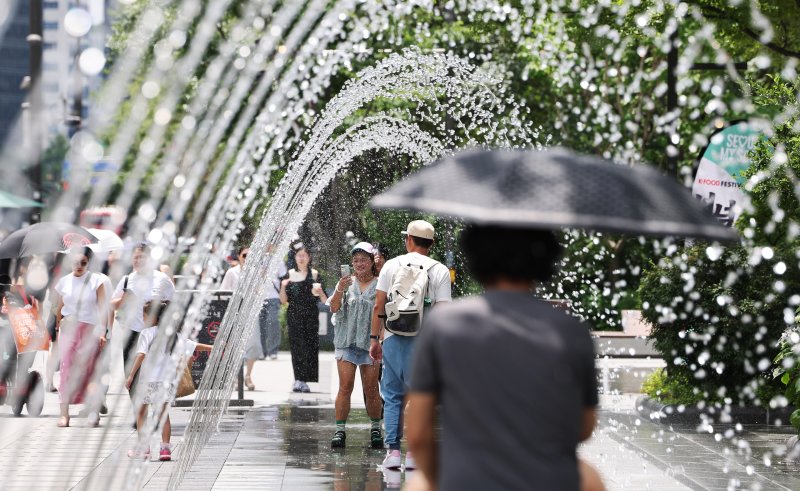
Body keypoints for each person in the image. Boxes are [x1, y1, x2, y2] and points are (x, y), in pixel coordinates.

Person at [405, 225, 604, 491]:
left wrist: (436, 478)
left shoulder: (443, 325)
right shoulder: (571, 331)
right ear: (545, 258)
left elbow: (417, 434)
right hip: (549, 481)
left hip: (465, 481)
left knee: (418, 485)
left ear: (477, 256)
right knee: (591, 478)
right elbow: (583, 428)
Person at [370, 220, 451, 470]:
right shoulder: (439, 270)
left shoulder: (392, 265)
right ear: (432, 244)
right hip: (424, 341)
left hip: (393, 337)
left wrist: (375, 339)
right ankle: (415, 453)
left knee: (392, 396)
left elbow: (379, 305)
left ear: (408, 240)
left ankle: (393, 452)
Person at [126, 301, 212, 461]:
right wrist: (214, 348)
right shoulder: (174, 335)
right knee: (163, 415)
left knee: (141, 413)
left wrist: (131, 376)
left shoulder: (147, 333)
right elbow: (194, 346)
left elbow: (141, 355)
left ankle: (144, 448)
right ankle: (165, 449)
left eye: (145, 316)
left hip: (148, 381)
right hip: (167, 382)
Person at [328, 242, 383, 449]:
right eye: (356, 260)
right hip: (346, 342)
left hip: (370, 343)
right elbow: (334, 308)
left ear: (372, 262)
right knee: (345, 387)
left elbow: (384, 315)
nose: (359, 264)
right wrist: (340, 289)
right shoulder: (345, 283)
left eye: (363, 260)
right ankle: (339, 430)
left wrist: (378, 340)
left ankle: (376, 428)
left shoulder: (380, 285)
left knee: (371, 389)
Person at [110, 242, 176, 406]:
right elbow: (111, 305)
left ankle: (155, 410)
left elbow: (175, 304)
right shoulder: (127, 280)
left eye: (142, 257)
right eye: (135, 257)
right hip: (131, 333)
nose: (138, 260)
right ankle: (138, 413)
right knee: (131, 375)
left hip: (155, 334)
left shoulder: (161, 279)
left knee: (154, 375)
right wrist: (124, 299)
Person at [53, 248, 110, 428]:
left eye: (83, 263)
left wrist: (103, 331)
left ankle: (93, 411)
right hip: (69, 329)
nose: (78, 266)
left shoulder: (96, 281)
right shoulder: (63, 282)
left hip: (90, 330)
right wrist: (57, 328)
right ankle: (64, 415)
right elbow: (59, 307)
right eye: (75, 262)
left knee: (90, 370)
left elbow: (103, 308)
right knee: (66, 369)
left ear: (89, 263)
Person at [279, 245, 327, 393]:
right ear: (295, 258)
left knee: (310, 346)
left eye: (304, 255)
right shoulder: (289, 275)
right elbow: (283, 301)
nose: (301, 258)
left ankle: (307, 379)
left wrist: (319, 292)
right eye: (299, 255)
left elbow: (325, 300)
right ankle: (299, 379)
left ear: (308, 258)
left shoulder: (314, 274)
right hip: (294, 315)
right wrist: (282, 286)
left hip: (311, 315)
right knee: (297, 347)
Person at [220, 246, 262, 390]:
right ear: (238, 257)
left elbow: (262, 293)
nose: (247, 258)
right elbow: (223, 293)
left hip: (250, 311)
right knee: (233, 346)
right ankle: (233, 377)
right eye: (244, 255)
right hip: (235, 312)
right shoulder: (232, 273)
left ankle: (248, 375)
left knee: (254, 344)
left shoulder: (256, 273)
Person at [260, 245, 287, 360]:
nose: (269, 246)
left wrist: (283, 293)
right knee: (260, 325)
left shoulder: (278, 260)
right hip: (259, 297)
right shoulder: (257, 259)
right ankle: (262, 351)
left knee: (272, 322)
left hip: (274, 297)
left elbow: (284, 278)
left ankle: (273, 350)